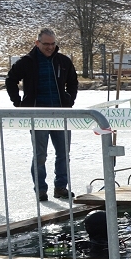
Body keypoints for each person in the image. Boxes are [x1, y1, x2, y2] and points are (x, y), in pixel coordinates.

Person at [6, 28, 78, 201]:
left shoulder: (63, 61)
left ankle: (61, 187)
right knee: (40, 155)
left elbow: (73, 82)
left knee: (63, 153)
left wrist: (69, 101)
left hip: (61, 115)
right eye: (46, 44)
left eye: (53, 44)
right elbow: (10, 80)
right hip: (37, 116)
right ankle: (40, 189)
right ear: (37, 43)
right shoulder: (27, 62)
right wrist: (18, 103)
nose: (50, 47)